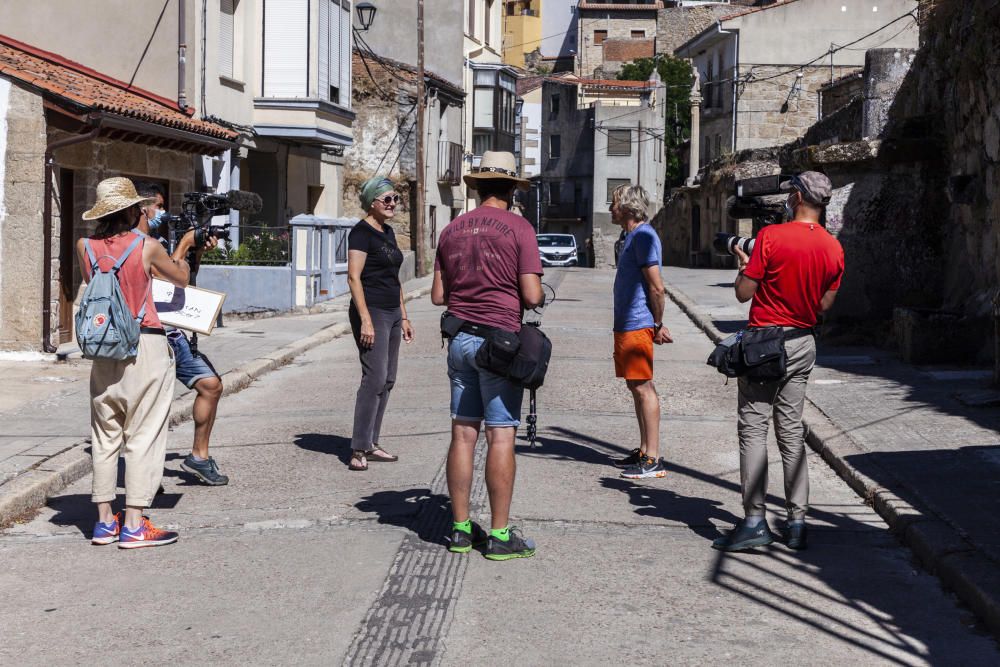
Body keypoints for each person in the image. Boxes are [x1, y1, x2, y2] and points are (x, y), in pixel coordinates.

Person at [712, 171, 844, 553]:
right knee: (791, 433)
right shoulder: (834, 248)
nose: (786, 199)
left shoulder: (771, 238)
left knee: (753, 429)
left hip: (766, 343)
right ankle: (797, 522)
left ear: (799, 197)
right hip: (803, 342)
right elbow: (824, 305)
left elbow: (743, 293)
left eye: (790, 194)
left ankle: (755, 521)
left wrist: (743, 264)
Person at [431, 151, 544, 561]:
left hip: (459, 338)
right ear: (513, 188)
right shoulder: (519, 228)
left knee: (463, 433)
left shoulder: (450, 230)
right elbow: (532, 295)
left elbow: (439, 296)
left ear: (476, 187)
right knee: (500, 434)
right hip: (499, 343)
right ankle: (499, 534)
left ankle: (461, 530)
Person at [79, 177, 195, 548]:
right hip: (144, 345)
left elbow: (98, 287)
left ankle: (103, 523)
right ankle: (133, 523)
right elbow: (181, 279)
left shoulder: (86, 246)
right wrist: (186, 247)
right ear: (132, 210)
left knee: (104, 435)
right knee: (143, 434)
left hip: (103, 349)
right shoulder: (147, 246)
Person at [133, 182, 228, 486]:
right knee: (148, 408)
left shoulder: (157, 238)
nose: (161, 212)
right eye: (157, 206)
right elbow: (168, 278)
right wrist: (185, 244)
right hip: (148, 335)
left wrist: (196, 250)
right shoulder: (137, 243)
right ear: (142, 207)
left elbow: (184, 278)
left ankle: (198, 457)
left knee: (211, 385)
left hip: (172, 333)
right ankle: (144, 475)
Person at [346, 177, 414, 471]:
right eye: (386, 199)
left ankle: (372, 442)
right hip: (371, 311)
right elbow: (353, 277)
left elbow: (394, 278)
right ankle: (358, 448)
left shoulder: (387, 232)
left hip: (392, 313)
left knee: (388, 379)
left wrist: (405, 315)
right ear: (371, 202)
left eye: (395, 199)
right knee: (373, 378)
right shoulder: (361, 233)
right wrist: (365, 320)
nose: (392, 204)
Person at [608, 184, 673, 479]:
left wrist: (657, 324)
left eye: (614, 203)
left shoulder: (644, 236)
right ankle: (645, 449)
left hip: (637, 324)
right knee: (636, 386)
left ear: (627, 207)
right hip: (628, 324)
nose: (610, 209)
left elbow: (656, 286)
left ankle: (653, 458)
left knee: (643, 387)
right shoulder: (633, 237)